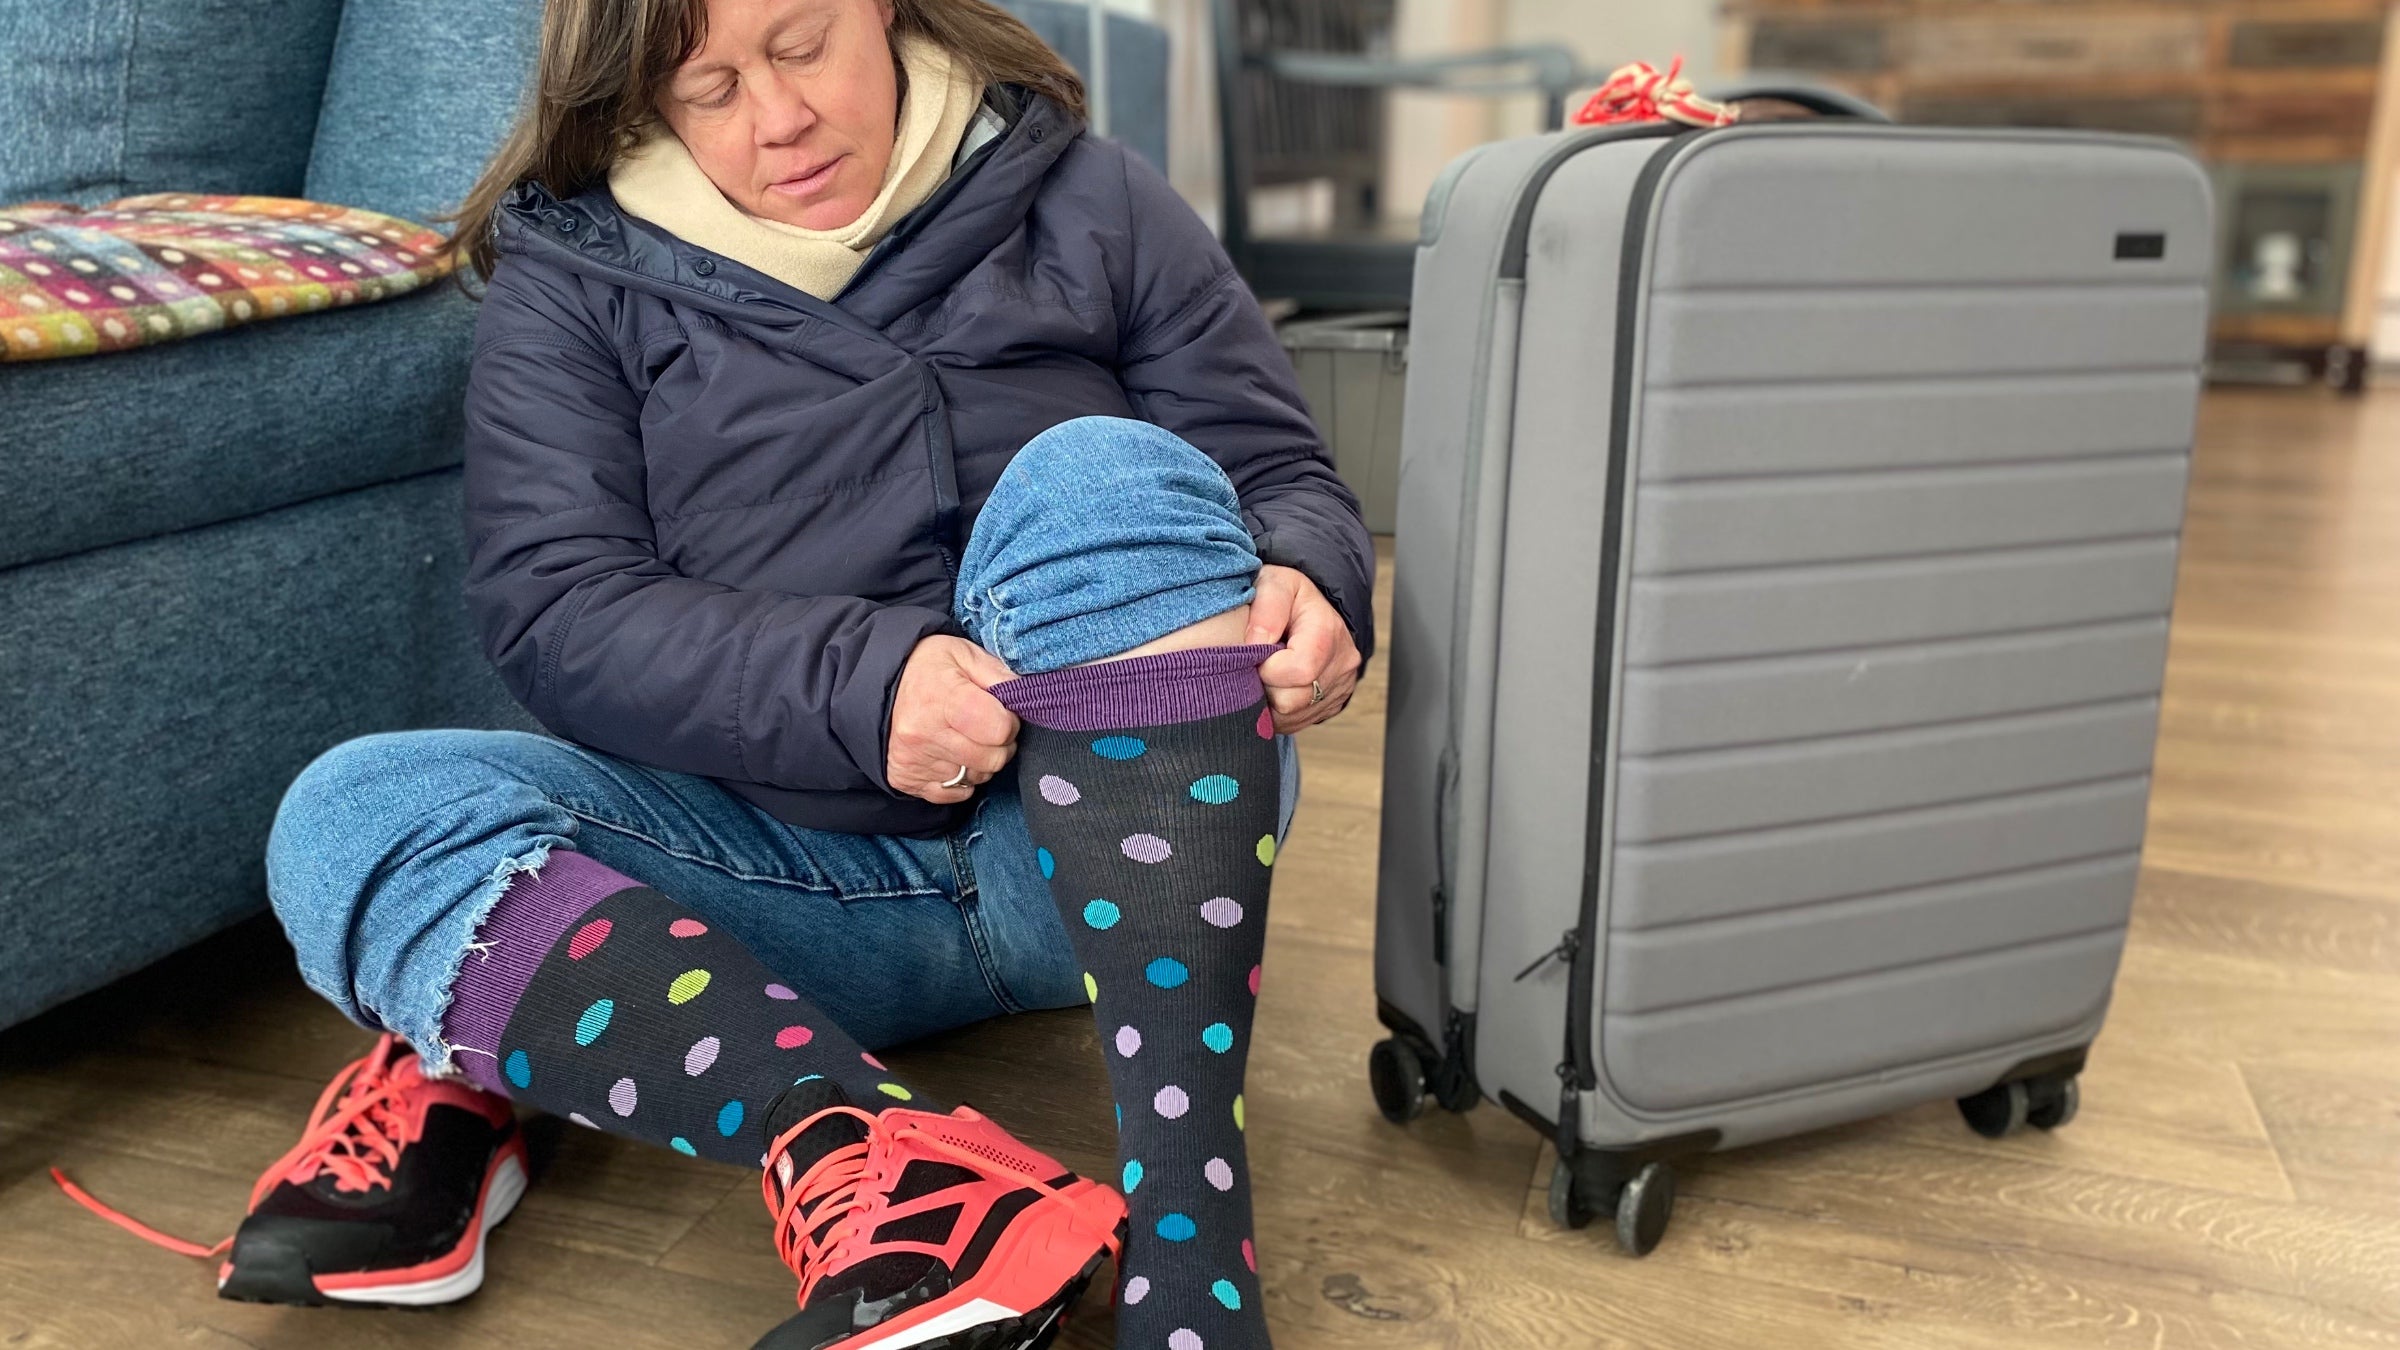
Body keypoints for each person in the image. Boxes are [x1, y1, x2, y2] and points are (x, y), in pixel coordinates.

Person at [60, 1, 1373, 1348]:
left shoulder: (1094, 196)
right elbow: (556, 609)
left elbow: (1276, 466)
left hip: (1098, 856)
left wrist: (1313, 573)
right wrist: (863, 689)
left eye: (802, 47)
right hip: (786, 890)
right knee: (350, 814)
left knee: (1103, 474)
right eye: (710, 90)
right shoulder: (578, 275)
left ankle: (1194, 1254)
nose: (778, 120)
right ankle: (901, 1173)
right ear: (639, 96)